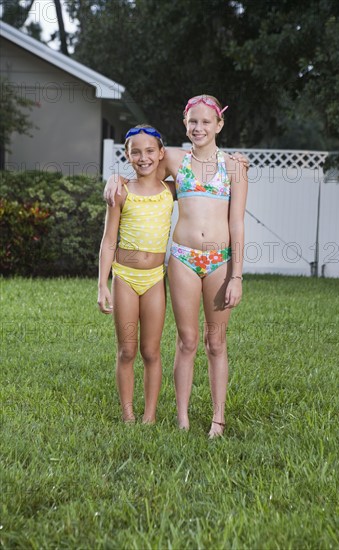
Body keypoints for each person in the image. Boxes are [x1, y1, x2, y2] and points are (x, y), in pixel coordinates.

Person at [105, 95, 248, 437]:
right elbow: (144, 168)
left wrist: (237, 276)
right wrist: (117, 180)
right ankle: (182, 418)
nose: (199, 128)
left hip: (219, 261)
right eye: (192, 122)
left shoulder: (234, 168)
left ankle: (218, 418)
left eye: (206, 122)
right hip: (182, 258)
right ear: (185, 124)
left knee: (217, 342)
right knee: (187, 341)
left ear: (219, 125)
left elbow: (238, 224)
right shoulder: (174, 158)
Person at [98, 125, 174, 424]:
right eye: (136, 152)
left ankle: (149, 416)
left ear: (160, 153)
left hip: (155, 279)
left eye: (150, 151)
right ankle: (128, 413)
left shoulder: (171, 190)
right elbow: (108, 240)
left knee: (151, 351)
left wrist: (232, 162)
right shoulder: (121, 191)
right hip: (125, 278)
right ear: (127, 155)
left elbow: (198, 172)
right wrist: (102, 283)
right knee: (127, 350)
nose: (143, 157)